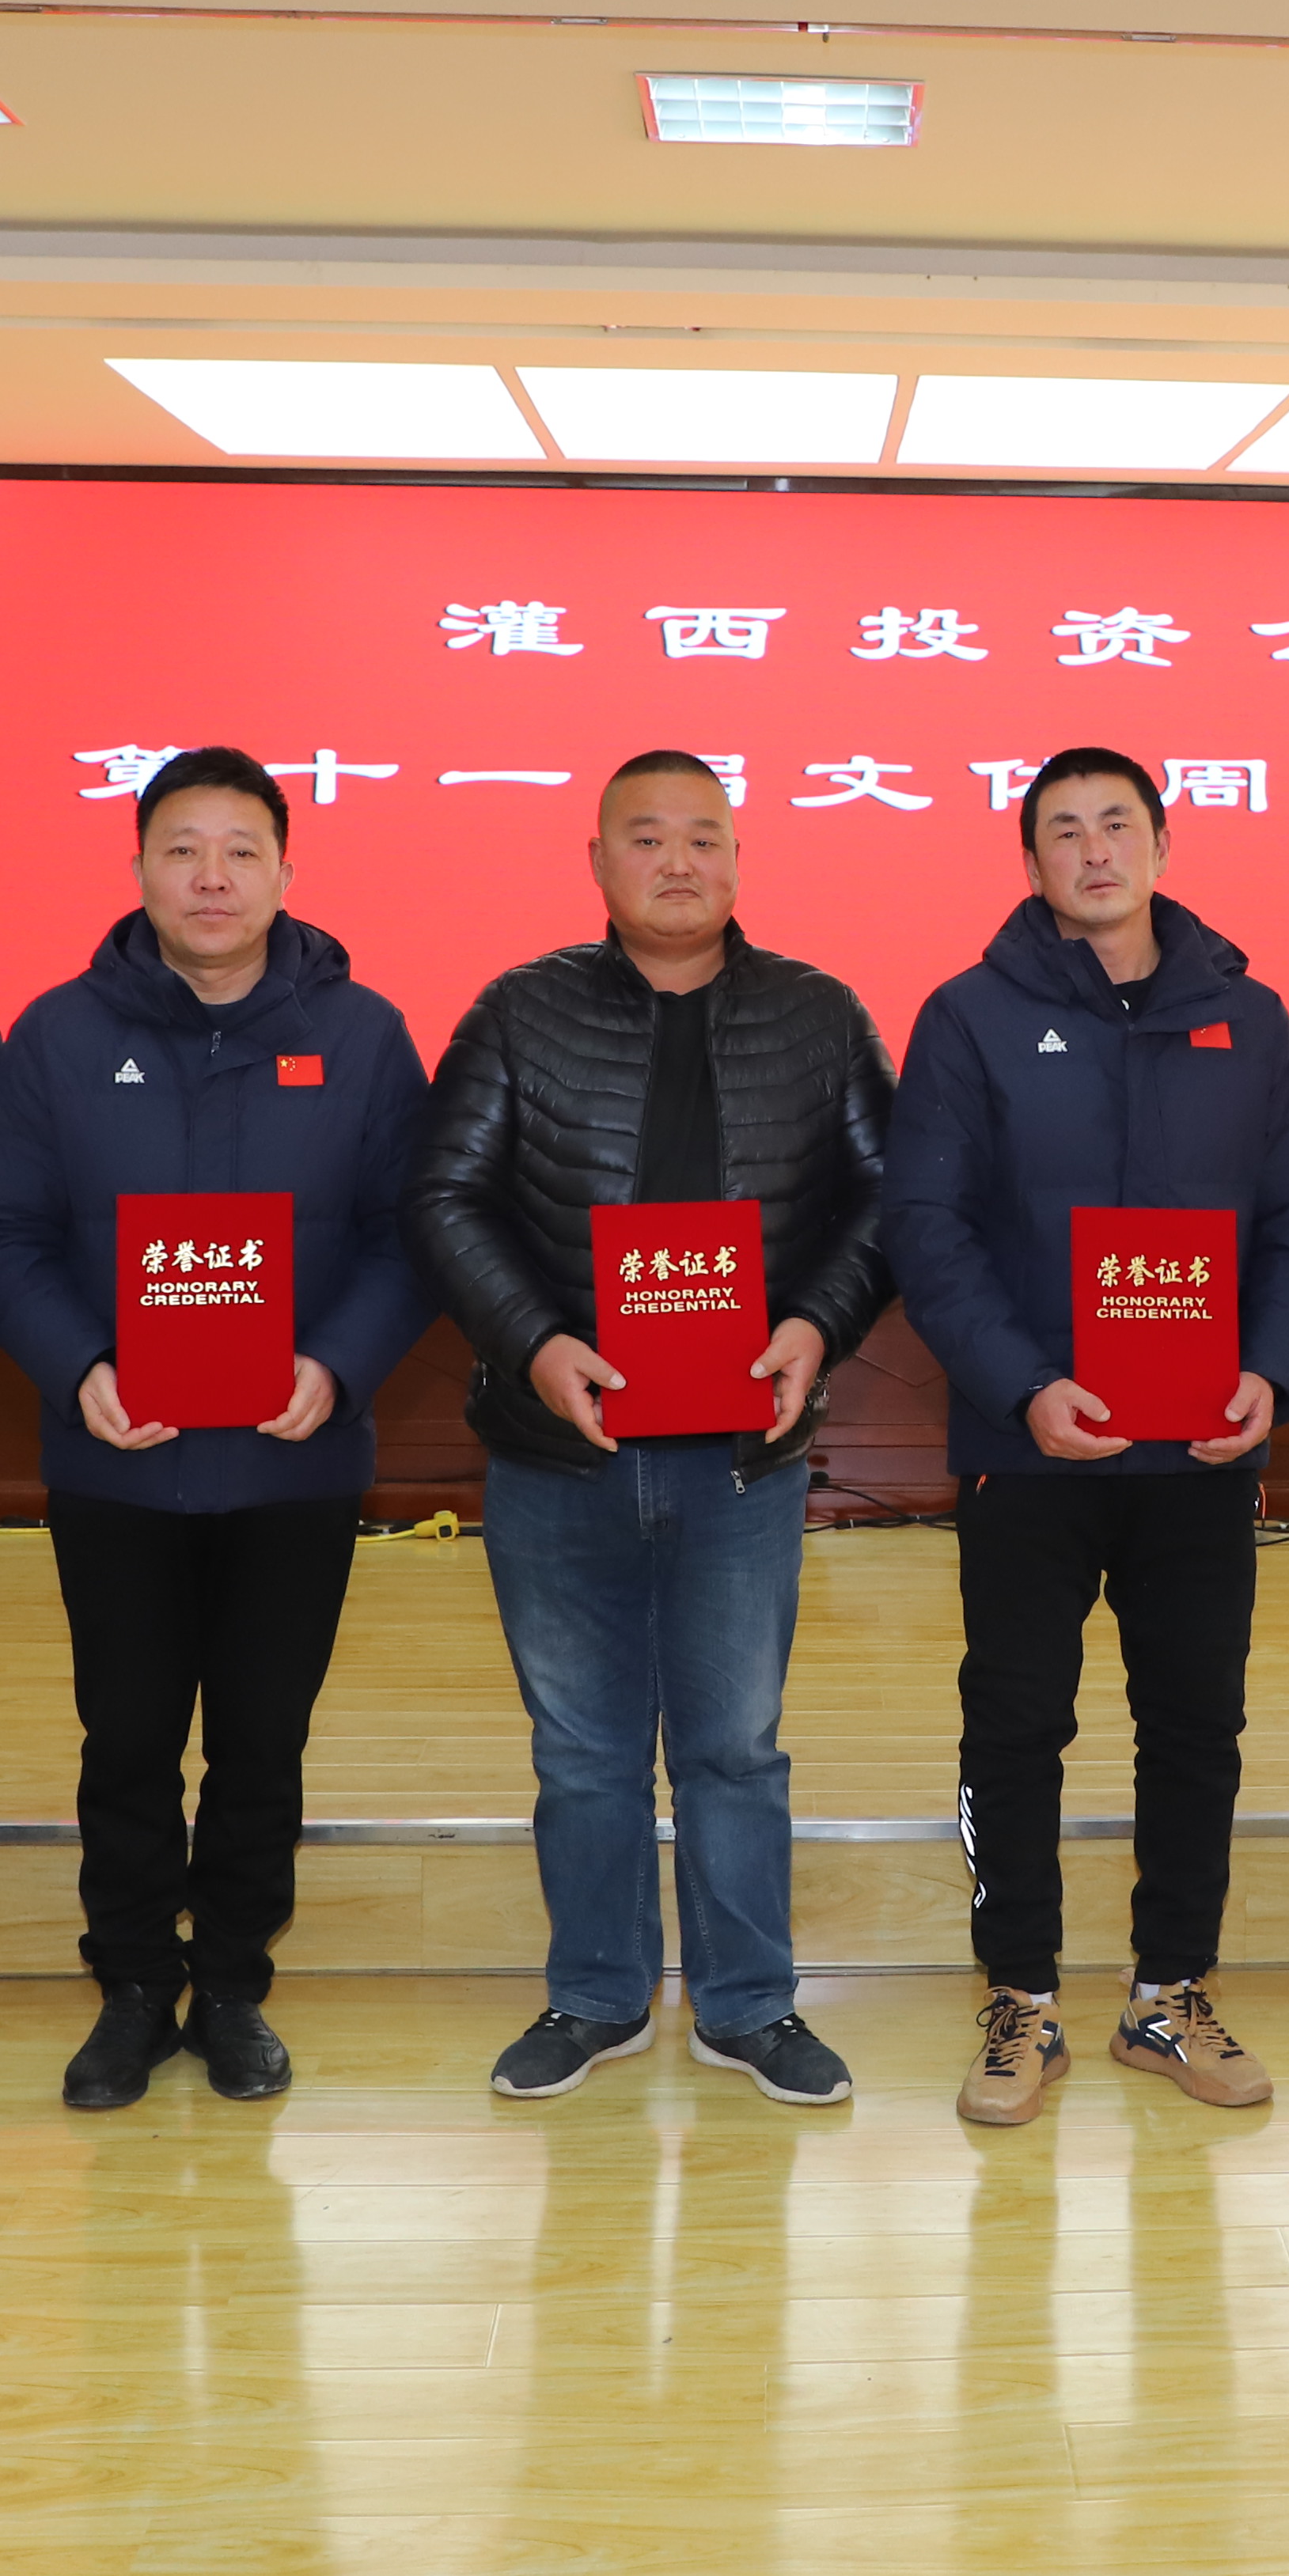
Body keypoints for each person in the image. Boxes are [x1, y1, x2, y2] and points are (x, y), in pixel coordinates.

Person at [408, 752, 897, 2110]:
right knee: (582, 1750)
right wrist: (537, 1342)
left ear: (738, 859)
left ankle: (750, 2004)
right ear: (597, 861)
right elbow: (443, 1196)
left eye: (704, 837)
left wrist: (817, 1326)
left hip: (743, 1456)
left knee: (735, 1745)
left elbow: (887, 1200)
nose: (678, 861)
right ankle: (595, 1994)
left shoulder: (817, 1015)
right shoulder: (521, 1012)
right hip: (558, 1450)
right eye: (647, 837)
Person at [0, 749, 437, 2110]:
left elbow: (409, 1235)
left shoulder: (364, 1035)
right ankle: (129, 1984)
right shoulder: (57, 1035)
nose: (211, 878)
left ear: (286, 871)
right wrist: (78, 1367)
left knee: (260, 1740)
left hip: (294, 1459)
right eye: (182, 850)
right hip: (116, 1457)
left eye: (240, 851)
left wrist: (338, 1366)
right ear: (137, 870)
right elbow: (2, 1234)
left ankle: (231, 1982)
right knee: (125, 1738)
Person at [881, 747, 1289, 2127]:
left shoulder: (1249, 1019)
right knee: (1016, 1723)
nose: (1094, 851)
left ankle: (1169, 1993)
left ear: (1162, 844)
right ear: (1032, 863)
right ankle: (1020, 1995)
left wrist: (1271, 1373)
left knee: (1195, 1722)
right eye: (1065, 831)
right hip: (1031, 1447)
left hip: (1199, 1453)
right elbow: (927, 1228)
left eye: (1117, 825)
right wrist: (1023, 1386)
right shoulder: (969, 1017)